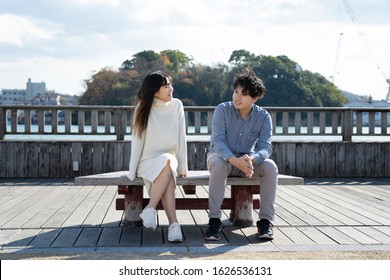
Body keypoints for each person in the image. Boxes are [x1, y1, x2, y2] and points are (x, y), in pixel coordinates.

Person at [205, 69, 278, 241]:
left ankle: (265, 221)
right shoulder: (222, 110)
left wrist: (252, 159)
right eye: (236, 92)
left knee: (270, 166)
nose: (237, 97)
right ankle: (214, 220)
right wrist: (233, 160)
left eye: (244, 94)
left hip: (246, 162)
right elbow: (217, 142)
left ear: (255, 98)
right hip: (221, 159)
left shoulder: (263, 116)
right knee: (219, 163)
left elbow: (266, 147)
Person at [128, 71, 188, 243]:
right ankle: (174, 226)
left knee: (168, 161)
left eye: (170, 84)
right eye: (166, 86)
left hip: (170, 160)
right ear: (155, 91)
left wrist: (183, 168)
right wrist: (132, 172)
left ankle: (150, 209)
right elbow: (137, 141)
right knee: (167, 171)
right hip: (147, 162)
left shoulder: (177, 105)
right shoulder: (143, 107)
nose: (171, 89)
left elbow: (181, 139)